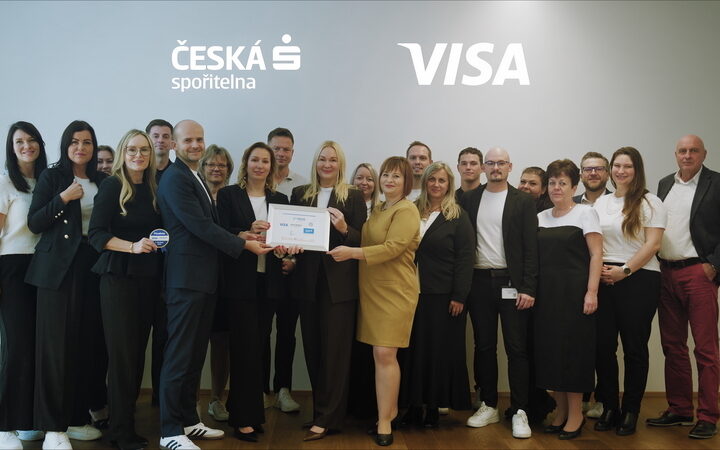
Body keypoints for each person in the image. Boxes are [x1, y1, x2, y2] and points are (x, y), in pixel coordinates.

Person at [156, 120, 272, 450]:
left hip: (203, 281)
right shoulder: (175, 178)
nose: (195, 145)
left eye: (199, 139)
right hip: (186, 281)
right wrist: (243, 245)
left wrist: (240, 234)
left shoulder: (193, 176)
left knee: (194, 356)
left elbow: (210, 225)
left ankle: (188, 421)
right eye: (188, 140)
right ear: (174, 145)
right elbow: (199, 227)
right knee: (179, 356)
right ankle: (170, 431)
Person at [26, 120, 109, 449]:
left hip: (92, 266)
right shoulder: (53, 177)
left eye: (87, 142)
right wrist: (63, 197)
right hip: (57, 269)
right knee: (55, 349)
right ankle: (53, 428)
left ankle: (75, 418)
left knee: (85, 345)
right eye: (74, 142)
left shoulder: (103, 180)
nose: (81, 148)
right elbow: (35, 222)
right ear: (65, 145)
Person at [328, 156, 420, 447]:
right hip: (371, 290)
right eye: (386, 175)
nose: (389, 180)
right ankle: (387, 412)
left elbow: (392, 248)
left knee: (384, 353)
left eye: (396, 176)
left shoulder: (407, 210)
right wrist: (344, 228)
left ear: (407, 182)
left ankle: (385, 422)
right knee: (379, 355)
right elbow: (365, 240)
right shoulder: (380, 208)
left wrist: (351, 253)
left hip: (395, 292)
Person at [88, 129, 162, 450]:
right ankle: (120, 433)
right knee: (122, 359)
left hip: (149, 279)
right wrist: (132, 247)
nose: (138, 155)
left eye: (144, 149)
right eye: (132, 149)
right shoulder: (112, 186)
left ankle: (126, 425)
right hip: (118, 279)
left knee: (136, 357)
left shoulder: (155, 186)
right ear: (123, 152)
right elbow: (96, 235)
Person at [290, 141, 366, 441]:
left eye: (333, 160)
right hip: (307, 284)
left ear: (340, 164)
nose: (327, 164)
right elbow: (292, 234)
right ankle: (320, 412)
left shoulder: (353, 195)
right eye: (322, 159)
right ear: (316, 162)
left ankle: (329, 418)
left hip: (340, 286)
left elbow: (362, 240)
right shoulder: (301, 194)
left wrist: (345, 228)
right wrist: (289, 249)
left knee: (335, 353)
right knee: (313, 350)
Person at [460, 148, 538, 439]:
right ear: (483, 167)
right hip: (478, 281)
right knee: (483, 346)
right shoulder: (469, 199)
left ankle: (520, 410)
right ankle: (489, 404)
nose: (495, 167)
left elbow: (531, 248)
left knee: (516, 348)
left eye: (501, 163)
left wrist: (528, 287)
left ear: (510, 166)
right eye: (490, 163)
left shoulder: (523, 201)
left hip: (511, 282)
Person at [216, 142, 290, 442]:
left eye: (265, 161)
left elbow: (285, 242)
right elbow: (219, 232)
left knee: (258, 349)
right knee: (243, 349)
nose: (260, 165)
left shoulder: (280, 200)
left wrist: (285, 249)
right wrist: (244, 232)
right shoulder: (228, 195)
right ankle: (243, 419)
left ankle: (247, 411)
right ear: (246, 163)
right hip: (239, 284)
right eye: (255, 160)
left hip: (269, 284)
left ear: (272, 167)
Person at [648, 134, 720, 440]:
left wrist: (714, 264)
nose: (687, 155)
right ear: (675, 154)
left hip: (698, 273)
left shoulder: (716, 183)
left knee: (706, 349)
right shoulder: (665, 184)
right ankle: (679, 408)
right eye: (682, 151)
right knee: (672, 345)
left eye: (693, 151)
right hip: (666, 273)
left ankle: (708, 415)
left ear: (704, 154)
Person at [592, 147, 666, 436]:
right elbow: (594, 241)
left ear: (637, 171)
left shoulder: (650, 202)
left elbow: (653, 244)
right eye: (617, 166)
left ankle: (631, 410)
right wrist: (601, 271)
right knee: (603, 348)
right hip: (603, 279)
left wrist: (624, 271)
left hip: (639, 279)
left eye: (628, 166)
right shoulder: (601, 202)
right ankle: (610, 406)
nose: (621, 171)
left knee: (634, 349)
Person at [399, 162, 473, 428]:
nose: (436, 185)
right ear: (425, 182)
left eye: (442, 180)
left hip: (443, 296)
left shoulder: (458, 215)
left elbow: (465, 258)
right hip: (409, 291)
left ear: (449, 184)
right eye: (432, 179)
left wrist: (459, 296)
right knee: (413, 351)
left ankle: (433, 406)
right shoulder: (410, 210)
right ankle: (413, 405)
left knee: (437, 353)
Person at [534, 159, 602, 440]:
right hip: (547, 296)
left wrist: (592, 291)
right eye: (552, 182)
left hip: (575, 295)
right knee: (552, 354)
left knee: (573, 354)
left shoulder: (586, 213)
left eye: (563, 183)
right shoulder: (540, 217)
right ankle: (560, 412)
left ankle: (576, 414)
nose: (556, 188)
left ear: (574, 187)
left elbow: (596, 255)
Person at [0, 122, 47, 450]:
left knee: (37, 348)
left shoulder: (47, 182)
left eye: (32, 140)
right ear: (11, 148)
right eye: (19, 141)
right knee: (16, 348)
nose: (27, 146)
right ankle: (5, 427)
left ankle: (27, 420)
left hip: (43, 268)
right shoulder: (5, 183)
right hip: (11, 268)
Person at [264, 127, 307, 412]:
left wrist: (294, 262)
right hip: (262, 270)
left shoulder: (303, 186)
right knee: (260, 332)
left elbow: (307, 232)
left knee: (287, 333)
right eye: (276, 148)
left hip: (292, 272)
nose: (281, 153)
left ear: (293, 152)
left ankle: (283, 390)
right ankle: (260, 391)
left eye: (286, 149)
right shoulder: (253, 181)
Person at [199, 145, 234, 423]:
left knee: (222, 342)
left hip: (226, 280)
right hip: (198, 278)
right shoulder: (194, 194)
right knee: (195, 341)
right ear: (202, 167)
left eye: (222, 165)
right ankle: (189, 402)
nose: (216, 169)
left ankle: (216, 399)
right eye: (211, 164)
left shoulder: (232, 197)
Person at [144, 119, 173, 407]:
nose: (161, 140)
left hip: (170, 270)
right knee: (137, 338)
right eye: (156, 135)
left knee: (164, 337)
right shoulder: (138, 173)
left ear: (173, 142)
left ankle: (159, 398)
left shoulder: (178, 175)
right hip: (140, 267)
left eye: (166, 136)